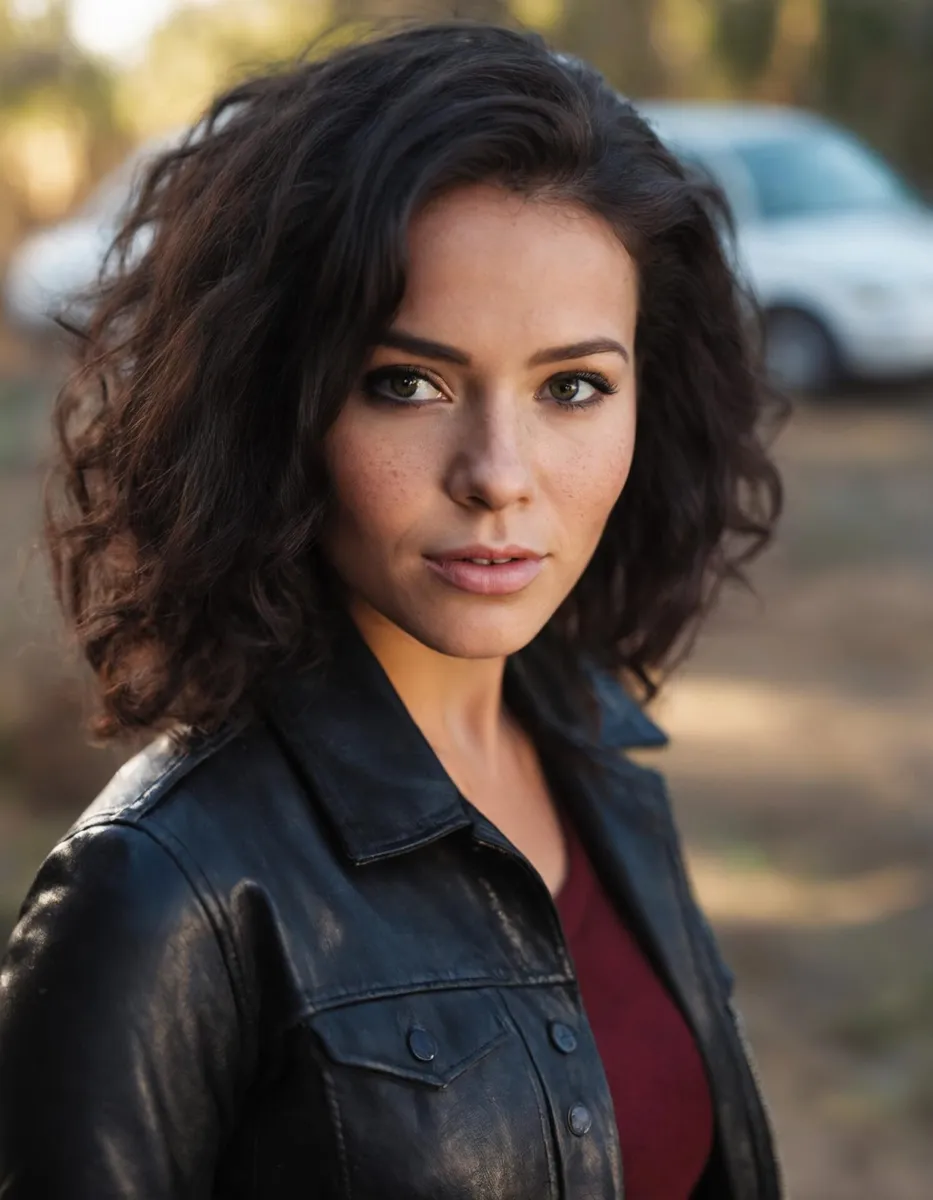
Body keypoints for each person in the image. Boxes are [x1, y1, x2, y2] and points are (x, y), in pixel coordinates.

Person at [0, 21, 785, 1200]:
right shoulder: (161, 895)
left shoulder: (596, 748)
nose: (498, 473)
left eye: (573, 387)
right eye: (408, 383)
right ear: (281, 397)